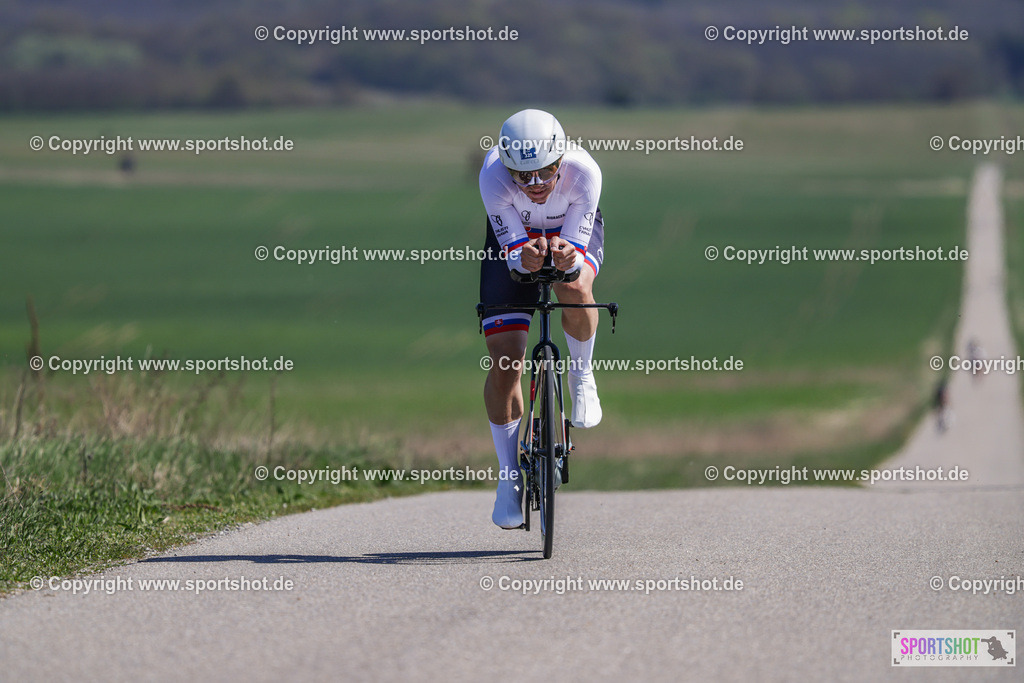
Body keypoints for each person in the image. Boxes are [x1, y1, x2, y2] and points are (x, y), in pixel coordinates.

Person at [478, 109, 605, 529]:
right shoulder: (493, 176)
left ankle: (581, 374)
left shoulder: (584, 173)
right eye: (522, 176)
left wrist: (566, 256)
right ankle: (509, 475)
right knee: (505, 362)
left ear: (561, 161)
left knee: (574, 287)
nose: (534, 185)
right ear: (507, 167)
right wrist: (522, 255)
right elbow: (512, 250)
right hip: (516, 236)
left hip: (570, 228)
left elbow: (573, 254)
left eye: (545, 173)